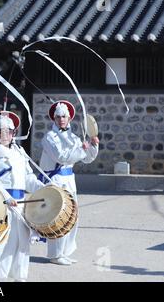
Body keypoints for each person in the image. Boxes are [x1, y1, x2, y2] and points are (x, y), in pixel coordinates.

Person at [0, 111, 45, 282]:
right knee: (0, 243)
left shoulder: (19, 152)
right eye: (0, 131)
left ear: (13, 133)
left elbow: (29, 177)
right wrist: (6, 197)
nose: (4, 135)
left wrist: (44, 188)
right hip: (3, 204)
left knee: (22, 243)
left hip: (22, 204)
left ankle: (19, 276)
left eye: (8, 131)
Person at [39, 100, 99, 265]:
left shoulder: (74, 137)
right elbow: (62, 157)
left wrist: (93, 146)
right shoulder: (49, 137)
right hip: (55, 180)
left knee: (72, 217)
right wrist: (82, 149)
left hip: (69, 180)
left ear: (69, 118)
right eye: (58, 117)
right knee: (57, 217)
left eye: (64, 116)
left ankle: (64, 252)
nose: (61, 119)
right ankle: (55, 254)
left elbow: (86, 159)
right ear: (54, 119)